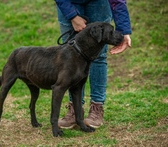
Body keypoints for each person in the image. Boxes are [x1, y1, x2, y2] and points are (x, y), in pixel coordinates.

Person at [55, 0, 132, 129]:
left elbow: (117, 1)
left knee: (99, 56)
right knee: (70, 57)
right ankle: (75, 109)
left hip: (99, 3)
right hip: (70, 2)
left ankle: (97, 108)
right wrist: (72, 15)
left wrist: (124, 30)